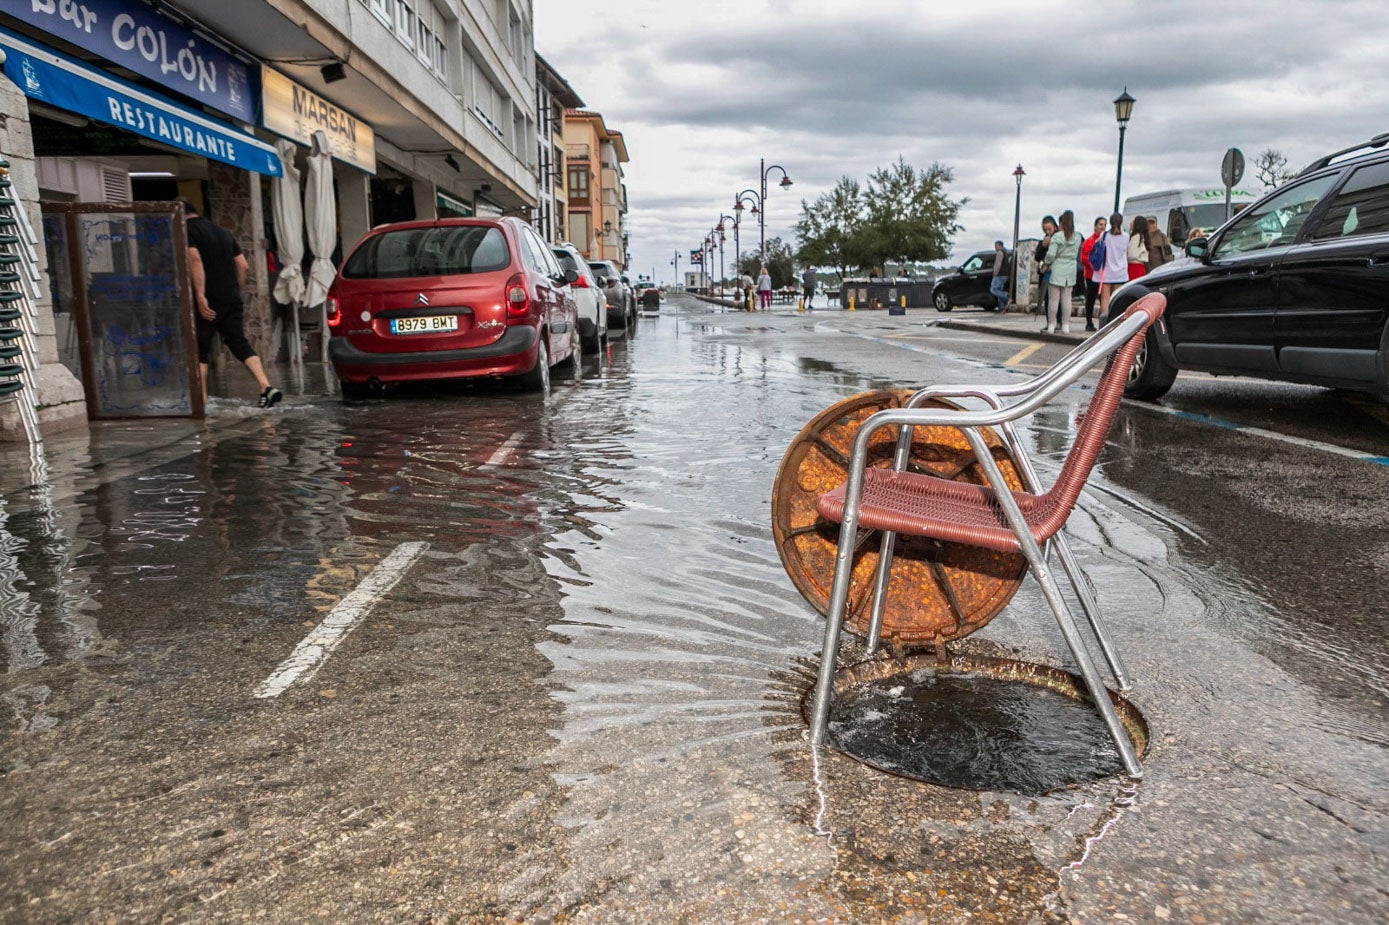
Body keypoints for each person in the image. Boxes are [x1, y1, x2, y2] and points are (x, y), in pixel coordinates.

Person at [180, 198, 281, 408]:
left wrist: (200, 295)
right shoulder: (222, 231)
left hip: (206, 299)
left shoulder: (186, 231)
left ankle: (202, 400)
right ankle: (265, 386)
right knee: (238, 341)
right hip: (230, 296)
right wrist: (236, 290)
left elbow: (194, 260)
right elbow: (243, 265)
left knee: (200, 347)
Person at [1041, 210, 1081, 334]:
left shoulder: (1057, 237)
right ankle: (1066, 325)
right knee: (1066, 299)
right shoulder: (1078, 236)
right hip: (1070, 269)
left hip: (1057, 268)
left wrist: (1045, 264)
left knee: (1053, 300)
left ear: (1062, 222)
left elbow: (1051, 255)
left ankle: (1052, 325)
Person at [1097, 211, 1129, 316]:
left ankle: (1103, 324)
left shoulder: (1104, 235)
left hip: (1107, 271)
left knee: (1105, 299)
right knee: (1118, 299)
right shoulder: (1126, 236)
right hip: (1121, 272)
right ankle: (1115, 323)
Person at [1078, 216, 1107, 332]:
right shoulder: (1089, 242)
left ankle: (1104, 322)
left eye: (1104, 224)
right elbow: (1083, 258)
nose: (1103, 227)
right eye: (1100, 224)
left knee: (1104, 300)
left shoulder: (1106, 240)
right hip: (1091, 275)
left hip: (1103, 276)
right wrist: (1094, 264)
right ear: (1095, 226)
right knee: (1090, 299)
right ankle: (1089, 322)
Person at [1033, 215, 1057, 313]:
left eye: (1049, 229)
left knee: (1055, 299)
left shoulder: (1058, 239)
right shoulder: (1043, 240)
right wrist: (1043, 246)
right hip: (1044, 274)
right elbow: (1037, 257)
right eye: (1045, 229)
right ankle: (1049, 321)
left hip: (1055, 273)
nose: (1047, 232)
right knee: (1046, 298)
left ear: (1054, 227)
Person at [1126, 216, 1150, 282]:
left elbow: (1132, 254)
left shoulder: (1136, 237)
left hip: (1134, 267)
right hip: (1139, 267)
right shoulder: (1142, 236)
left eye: (1133, 222)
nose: (1131, 223)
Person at [989, 240, 1009, 312]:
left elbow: (998, 264)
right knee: (999, 291)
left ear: (1000, 245)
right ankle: (1002, 308)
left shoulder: (1000, 252)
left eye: (996, 246)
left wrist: (995, 273)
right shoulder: (1006, 252)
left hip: (1000, 275)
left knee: (993, 289)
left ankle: (1007, 299)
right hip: (1005, 275)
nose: (995, 247)